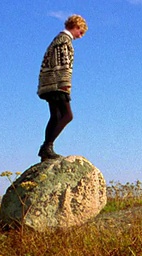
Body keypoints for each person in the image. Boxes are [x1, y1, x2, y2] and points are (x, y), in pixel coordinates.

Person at [37, 14, 88, 161]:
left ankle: (46, 151)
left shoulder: (57, 40)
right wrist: (65, 85)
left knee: (55, 116)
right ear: (76, 27)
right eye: (81, 32)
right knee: (67, 115)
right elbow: (63, 66)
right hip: (57, 84)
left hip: (49, 83)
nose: (81, 36)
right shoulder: (64, 41)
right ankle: (47, 146)